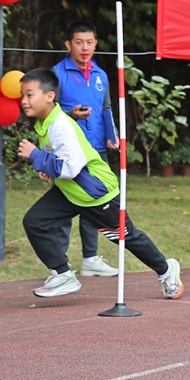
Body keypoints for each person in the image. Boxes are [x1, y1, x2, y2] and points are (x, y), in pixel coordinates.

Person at [17, 68, 183, 300]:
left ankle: (166, 270)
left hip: (95, 193)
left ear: (49, 96)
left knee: (126, 238)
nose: (23, 101)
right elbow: (63, 161)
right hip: (71, 192)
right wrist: (48, 168)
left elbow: (71, 168)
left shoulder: (60, 126)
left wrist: (37, 156)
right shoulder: (46, 122)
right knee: (35, 222)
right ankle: (63, 274)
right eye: (22, 95)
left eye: (29, 94)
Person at [53, 21, 120, 278]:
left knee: (97, 202)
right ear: (69, 44)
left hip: (96, 151)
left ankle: (91, 259)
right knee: (64, 204)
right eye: (79, 42)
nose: (84, 48)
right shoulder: (57, 74)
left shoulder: (101, 75)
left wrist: (112, 136)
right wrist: (72, 115)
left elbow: (106, 108)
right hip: (68, 151)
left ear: (96, 44)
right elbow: (49, 112)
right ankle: (59, 267)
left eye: (89, 42)